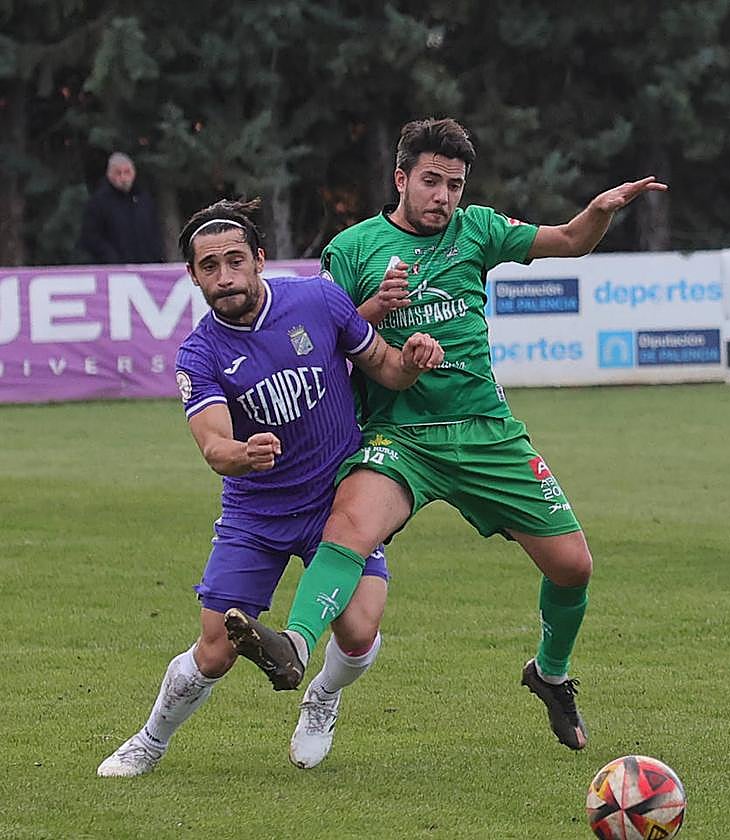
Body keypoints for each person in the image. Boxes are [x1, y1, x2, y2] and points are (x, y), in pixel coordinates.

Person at [223, 117, 667, 752]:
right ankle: (293, 645)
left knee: (573, 567)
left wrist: (599, 211)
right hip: (401, 434)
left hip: (486, 431)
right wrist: (376, 309)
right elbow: (323, 347)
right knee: (350, 524)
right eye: (431, 181)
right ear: (401, 178)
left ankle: (550, 674)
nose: (444, 197)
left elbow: (570, 240)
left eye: (454, 184)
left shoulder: (478, 229)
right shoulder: (352, 249)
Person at [96, 198, 444, 777]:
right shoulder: (199, 353)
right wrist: (243, 453)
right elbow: (213, 447)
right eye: (210, 266)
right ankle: (150, 740)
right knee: (215, 651)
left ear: (260, 259)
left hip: (339, 499)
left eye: (236, 260)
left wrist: (411, 360)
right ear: (192, 275)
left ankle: (323, 696)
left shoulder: (318, 299)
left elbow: (384, 367)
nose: (225, 276)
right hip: (255, 514)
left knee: (359, 631)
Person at [79, 152, 166, 264]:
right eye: (118, 173)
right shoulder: (99, 202)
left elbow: (155, 232)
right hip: (114, 271)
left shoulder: (144, 199)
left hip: (146, 268)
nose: (123, 178)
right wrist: (111, 258)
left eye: (127, 172)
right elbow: (91, 237)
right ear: (109, 174)